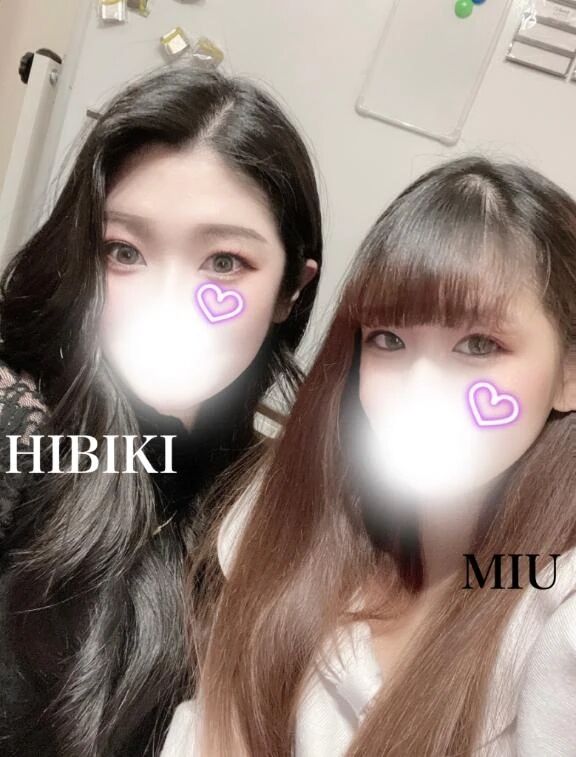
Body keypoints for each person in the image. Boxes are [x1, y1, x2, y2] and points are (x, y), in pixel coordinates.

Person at [163, 156, 576, 756]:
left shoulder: (556, 616)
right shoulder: (297, 510)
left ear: (569, 374)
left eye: (479, 345)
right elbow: (212, 727)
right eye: (389, 339)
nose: (419, 389)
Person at [0, 62, 321, 756]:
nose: (168, 302)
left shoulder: (275, 504)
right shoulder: (17, 422)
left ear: (290, 293)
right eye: (124, 251)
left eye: (224, 262)